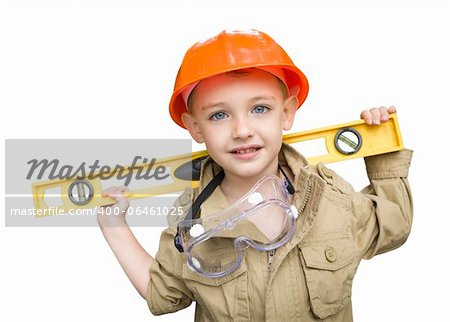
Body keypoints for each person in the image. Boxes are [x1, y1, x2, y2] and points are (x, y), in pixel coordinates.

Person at [98, 30, 413, 321]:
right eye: (219, 115)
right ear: (195, 127)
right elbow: (163, 296)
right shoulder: (191, 222)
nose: (242, 130)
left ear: (287, 113)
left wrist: (381, 153)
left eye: (260, 109)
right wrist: (115, 229)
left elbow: (393, 226)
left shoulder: (328, 196)